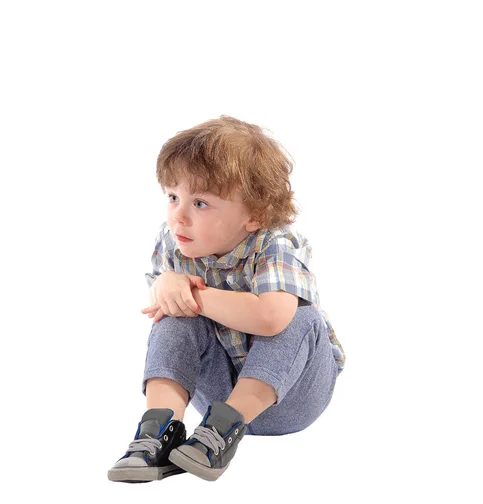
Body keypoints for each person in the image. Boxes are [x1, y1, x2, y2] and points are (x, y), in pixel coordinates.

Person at [107, 115, 345, 483]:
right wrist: (170, 287)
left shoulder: (275, 244)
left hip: (292, 397)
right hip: (216, 395)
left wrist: (192, 296)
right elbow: (164, 307)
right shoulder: (174, 244)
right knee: (174, 317)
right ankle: (157, 432)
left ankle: (225, 429)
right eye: (173, 197)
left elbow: (269, 318)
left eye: (200, 203)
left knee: (298, 315)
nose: (179, 216)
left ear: (255, 215)